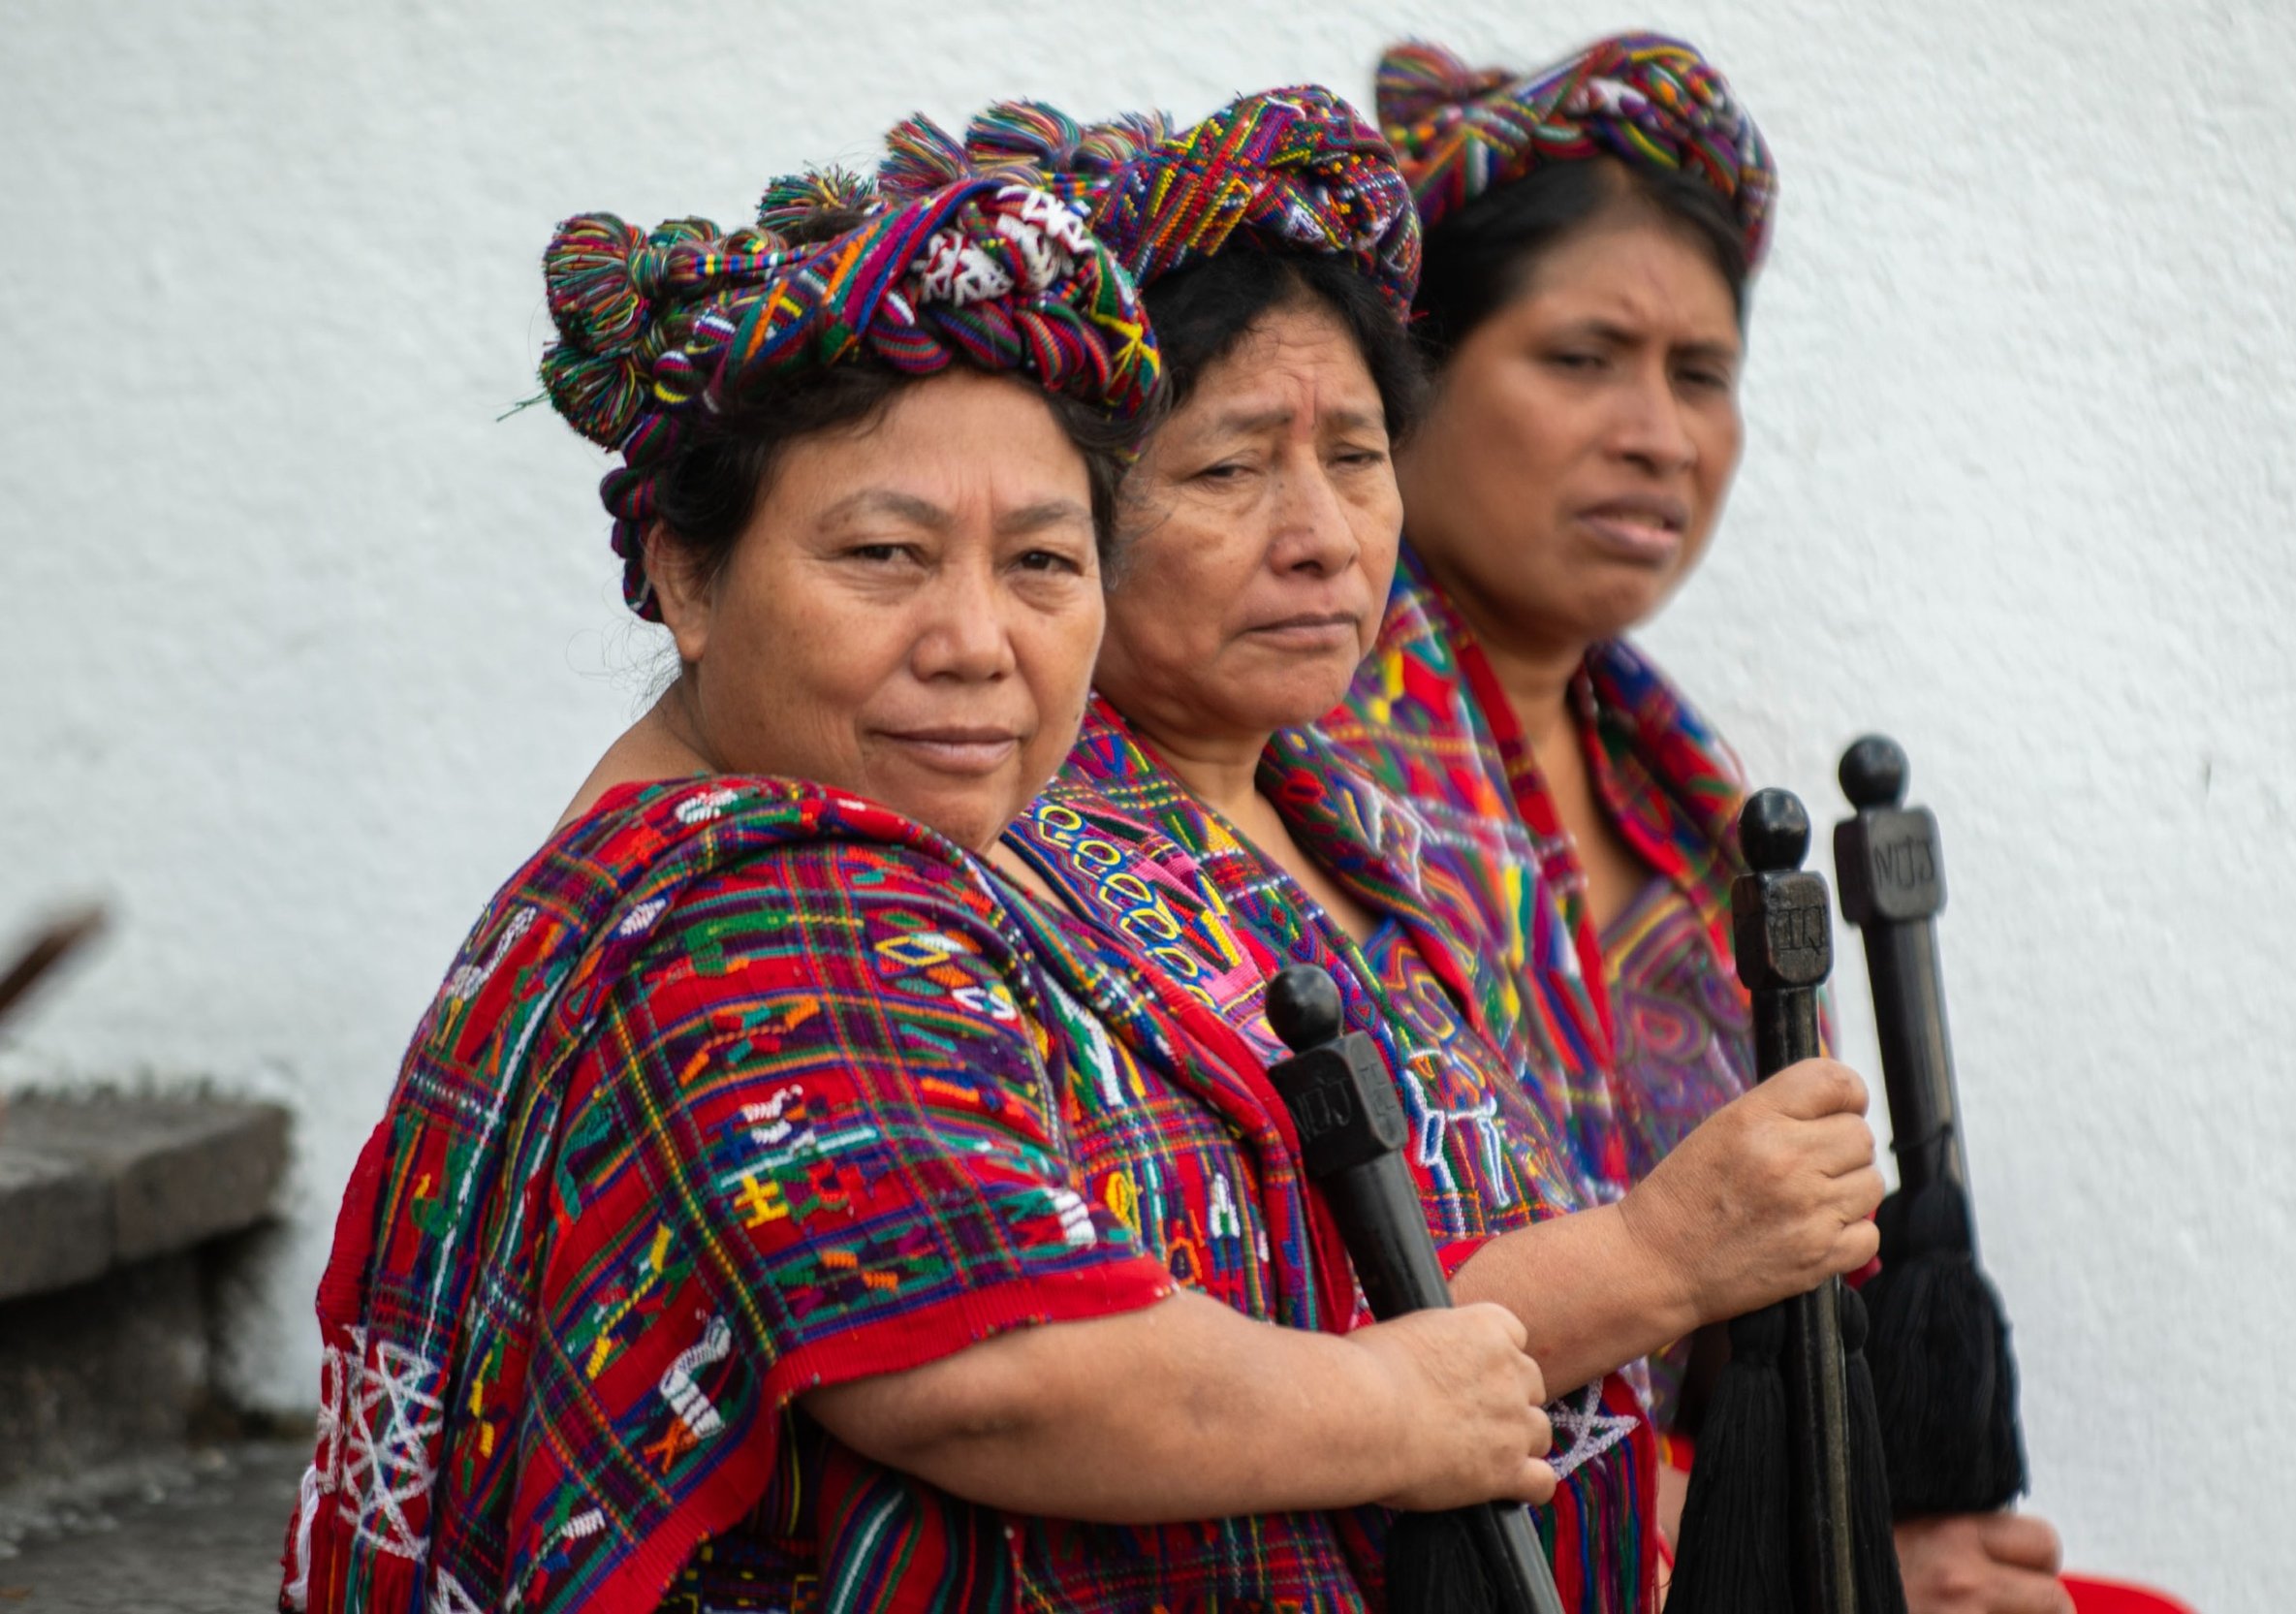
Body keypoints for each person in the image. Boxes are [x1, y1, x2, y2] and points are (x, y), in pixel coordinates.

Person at [281, 175, 1559, 1614]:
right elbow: (991, 1368)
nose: (973, 642)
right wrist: (1393, 1408)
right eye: (883, 555)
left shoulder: (766, 857)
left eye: (1042, 563)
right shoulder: (768, 908)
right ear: (689, 577)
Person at [878, 86, 1886, 1614]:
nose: (1326, 538)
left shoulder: (1364, 851)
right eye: (1227, 470)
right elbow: (1179, 1353)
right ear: (1064, 515)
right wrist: (1658, 1257)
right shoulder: (1001, 859)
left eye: (1355, 457)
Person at [1326, 32, 2177, 1614]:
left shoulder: (1682, 803)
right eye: (1582, 359)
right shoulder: (1293, 780)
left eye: (1700, 374)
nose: (1659, 431)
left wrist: (1882, 1533)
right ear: (1411, 379)